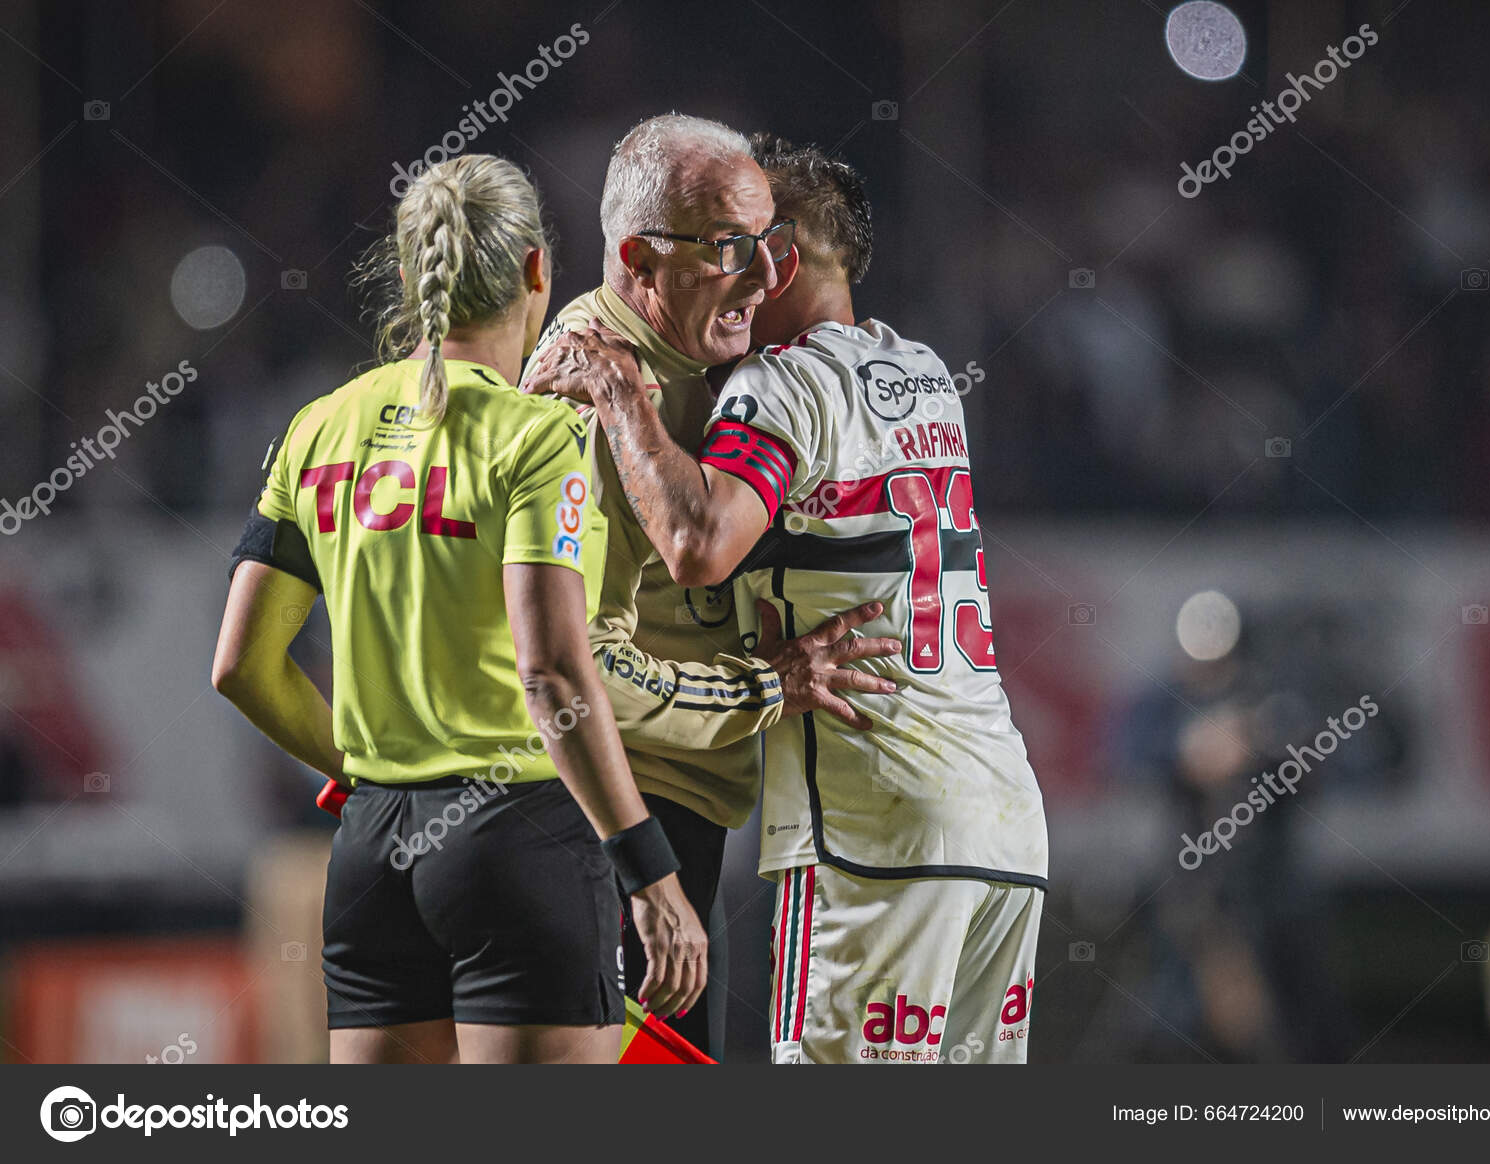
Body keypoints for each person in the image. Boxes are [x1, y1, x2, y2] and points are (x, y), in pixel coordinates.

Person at [529, 138, 1049, 1064]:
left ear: (782, 257)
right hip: (1005, 824)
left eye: (745, 246)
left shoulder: (780, 382)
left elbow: (695, 542)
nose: (732, 273)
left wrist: (619, 392)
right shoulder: (924, 371)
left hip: (875, 826)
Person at [211, 154, 706, 1065]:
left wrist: (360, 771)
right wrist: (649, 869)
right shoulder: (542, 437)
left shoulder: (318, 425)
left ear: (408, 277)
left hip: (372, 858)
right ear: (536, 272)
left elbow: (241, 663)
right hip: (519, 844)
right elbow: (552, 670)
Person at [521, 114, 898, 1057]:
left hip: (681, 818)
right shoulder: (586, 394)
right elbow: (570, 678)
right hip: (603, 824)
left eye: (770, 246)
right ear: (639, 258)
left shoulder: (711, 362)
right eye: (733, 248)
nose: (767, 279)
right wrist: (765, 686)